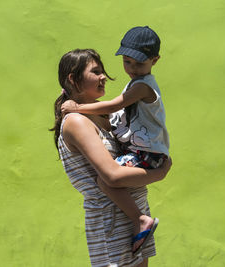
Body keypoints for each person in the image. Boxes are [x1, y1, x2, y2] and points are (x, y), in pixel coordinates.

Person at [51, 48, 171, 267]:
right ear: (73, 78)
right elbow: (112, 176)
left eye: (102, 71)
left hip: (134, 218)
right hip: (110, 222)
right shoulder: (77, 122)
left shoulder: (101, 117)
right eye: (96, 72)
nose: (103, 76)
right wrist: (160, 173)